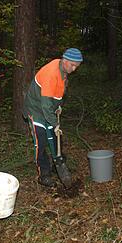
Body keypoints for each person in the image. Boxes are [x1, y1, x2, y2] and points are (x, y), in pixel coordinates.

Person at [23, 48, 83, 188]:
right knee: (41, 141)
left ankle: (59, 164)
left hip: (48, 108)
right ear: (65, 60)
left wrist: (58, 105)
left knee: (56, 138)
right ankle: (44, 175)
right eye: (72, 65)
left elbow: (56, 94)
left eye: (77, 66)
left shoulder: (62, 69)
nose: (74, 69)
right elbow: (45, 105)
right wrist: (55, 123)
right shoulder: (52, 73)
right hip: (36, 109)